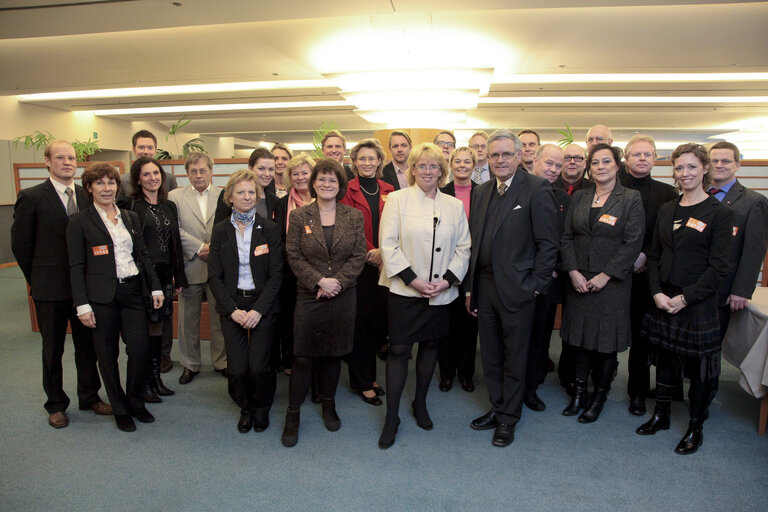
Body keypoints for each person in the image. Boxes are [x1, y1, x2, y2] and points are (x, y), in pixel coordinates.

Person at [636, 143, 734, 455]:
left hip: (696, 304)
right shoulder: (668, 208)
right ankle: (661, 415)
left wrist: (684, 299)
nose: (685, 173)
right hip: (664, 298)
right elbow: (653, 255)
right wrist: (656, 292)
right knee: (664, 361)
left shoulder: (721, 213)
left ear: (705, 169)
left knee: (700, 369)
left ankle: (695, 426)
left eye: (691, 167)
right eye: (679, 168)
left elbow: (719, 268)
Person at [465, 130, 559, 447]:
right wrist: (470, 289)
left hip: (519, 288)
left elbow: (549, 245)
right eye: (495, 155)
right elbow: (474, 245)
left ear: (519, 156)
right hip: (486, 286)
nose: (500, 160)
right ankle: (497, 406)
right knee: (490, 354)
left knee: (514, 356)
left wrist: (535, 286)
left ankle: (508, 419)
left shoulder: (536, 188)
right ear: (487, 159)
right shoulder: (481, 192)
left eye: (507, 154)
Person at [377, 143, 471, 449]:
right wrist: (413, 280)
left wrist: (446, 282)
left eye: (434, 166)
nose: (427, 171)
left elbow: (463, 247)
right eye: (422, 166)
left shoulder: (453, 206)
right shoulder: (397, 199)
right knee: (399, 350)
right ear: (412, 169)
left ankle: (420, 403)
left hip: (440, 292)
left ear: (442, 172)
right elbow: (388, 244)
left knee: (431, 346)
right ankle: (392, 416)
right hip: (405, 290)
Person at [11, 140, 109, 429]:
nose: (67, 162)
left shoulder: (85, 194)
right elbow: (21, 245)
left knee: (86, 346)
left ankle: (89, 396)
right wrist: (38, 278)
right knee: (52, 349)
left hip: (84, 289)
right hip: (49, 289)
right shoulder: (31, 196)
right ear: (47, 161)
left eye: (71, 158)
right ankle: (55, 404)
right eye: (61, 158)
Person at [67, 163, 164, 432]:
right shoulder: (79, 222)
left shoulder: (129, 217)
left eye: (111, 183)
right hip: (101, 298)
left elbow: (142, 255)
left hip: (132, 292)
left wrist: (155, 287)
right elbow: (75, 266)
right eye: (100, 183)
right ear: (89, 188)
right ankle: (119, 408)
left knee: (140, 349)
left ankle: (135, 402)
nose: (107, 188)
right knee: (107, 355)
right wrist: (82, 304)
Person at [281, 159, 366, 447]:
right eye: (321, 179)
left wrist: (337, 283)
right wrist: (319, 281)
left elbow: (358, 256)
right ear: (313, 183)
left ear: (340, 185)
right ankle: (293, 413)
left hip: (342, 294)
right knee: (303, 356)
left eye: (332, 180)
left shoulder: (353, 216)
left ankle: (329, 404)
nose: (326, 184)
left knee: (333, 353)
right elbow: (293, 255)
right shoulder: (300, 216)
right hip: (310, 293)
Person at [560, 143, 644, 423]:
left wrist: (605, 275)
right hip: (580, 282)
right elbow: (566, 237)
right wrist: (572, 271)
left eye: (606, 162)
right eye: (595, 163)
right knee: (581, 341)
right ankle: (580, 393)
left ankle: (599, 397)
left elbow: (633, 243)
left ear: (617, 166)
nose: (600, 167)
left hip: (612, 286)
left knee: (606, 343)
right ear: (588, 167)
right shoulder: (580, 197)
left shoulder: (630, 198)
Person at [207, 170, 283, 434]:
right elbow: (214, 277)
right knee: (238, 369)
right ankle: (245, 406)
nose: (247, 197)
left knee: (260, 366)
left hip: (263, 304)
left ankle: (261, 408)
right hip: (232, 304)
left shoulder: (269, 229)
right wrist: (233, 310)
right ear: (230, 197)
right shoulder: (219, 231)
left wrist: (259, 310)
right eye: (240, 192)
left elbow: (276, 275)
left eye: (251, 192)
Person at [120, 157, 188, 404]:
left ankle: (157, 378)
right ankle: (146, 381)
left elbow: (175, 244)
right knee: (147, 328)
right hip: (143, 276)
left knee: (160, 326)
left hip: (165, 273)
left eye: (156, 174)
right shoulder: (131, 207)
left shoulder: (168, 205)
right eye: (146, 174)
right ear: (138, 179)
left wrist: (179, 274)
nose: (152, 178)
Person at [620, 135, 678, 415]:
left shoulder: (668, 194)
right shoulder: (612, 187)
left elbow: (665, 236)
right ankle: (597, 384)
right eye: (636, 154)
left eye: (647, 154)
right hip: (614, 274)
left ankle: (638, 393)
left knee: (641, 341)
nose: (642, 159)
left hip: (648, 277)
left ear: (655, 159)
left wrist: (644, 255)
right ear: (627, 159)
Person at [340, 139, 394, 406]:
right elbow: (347, 229)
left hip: (386, 265)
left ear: (379, 161)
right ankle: (361, 381)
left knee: (377, 325)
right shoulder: (346, 190)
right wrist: (371, 251)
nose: (367, 163)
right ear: (354, 162)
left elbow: (396, 225)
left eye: (372, 158)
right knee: (360, 325)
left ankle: (371, 376)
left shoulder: (390, 189)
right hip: (359, 266)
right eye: (362, 158)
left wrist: (384, 252)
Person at [168, 152, 228, 384]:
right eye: (193, 171)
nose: (199, 175)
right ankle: (190, 364)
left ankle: (221, 361)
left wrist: (213, 248)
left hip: (218, 265)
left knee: (219, 316)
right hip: (190, 263)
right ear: (187, 174)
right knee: (188, 319)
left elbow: (228, 226)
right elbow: (175, 229)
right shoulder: (174, 196)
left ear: (211, 171)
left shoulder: (224, 195)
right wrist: (199, 247)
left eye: (203, 170)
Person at [524, 144, 570, 412]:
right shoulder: (520, 191)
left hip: (550, 280)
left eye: (557, 165)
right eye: (548, 163)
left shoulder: (564, 199)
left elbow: (565, 238)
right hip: (521, 277)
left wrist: (554, 266)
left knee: (540, 336)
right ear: (534, 162)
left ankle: (531, 385)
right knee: (521, 336)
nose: (553, 169)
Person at [707, 142, 768, 343]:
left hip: (724, 289)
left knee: (712, 349)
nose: (719, 165)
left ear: (737, 165)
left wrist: (741, 290)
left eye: (726, 161)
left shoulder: (753, 202)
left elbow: (754, 251)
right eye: (714, 160)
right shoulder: (695, 196)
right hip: (692, 286)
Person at [437, 146, 478, 393]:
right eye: (457, 161)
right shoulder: (441, 193)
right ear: (451, 165)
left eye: (467, 161)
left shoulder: (484, 193)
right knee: (447, 323)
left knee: (469, 324)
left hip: (473, 267)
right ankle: (446, 374)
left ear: (474, 165)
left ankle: (466, 373)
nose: (462, 165)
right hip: (446, 266)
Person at [273, 153, 316, 376]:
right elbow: (279, 237)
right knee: (289, 318)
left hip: (319, 272)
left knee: (314, 321)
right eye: (295, 173)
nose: (300, 177)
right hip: (289, 270)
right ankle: (289, 360)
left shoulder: (325, 200)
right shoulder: (281, 204)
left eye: (305, 173)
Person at [214, 147, 279, 224]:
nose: (267, 174)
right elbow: (219, 228)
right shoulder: (230, 193)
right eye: (261, 169)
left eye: (271, 169)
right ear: (250, 168)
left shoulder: (273, 200)